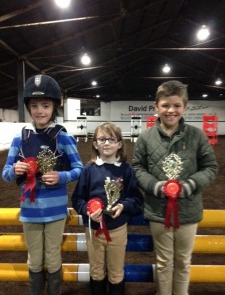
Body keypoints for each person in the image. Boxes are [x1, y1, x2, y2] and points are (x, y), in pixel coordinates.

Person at [132, 80, 218, 295]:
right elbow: (137, 167)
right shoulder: (145, 138)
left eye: (177, 105)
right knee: (163, 262)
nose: (171, 110)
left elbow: (210, 166)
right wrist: (155, 186)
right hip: (158, 211)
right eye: (165, 105)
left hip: (188, 211)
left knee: (183, 263)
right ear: (156, 106)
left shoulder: (197, 136)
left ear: (185, 106)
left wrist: (190, 185)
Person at [2, 74, 83, 295]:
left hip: (56, 212)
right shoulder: (20, 139)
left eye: (45, 105)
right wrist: (15, 170)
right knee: (35, 260)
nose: (40, 110)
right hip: (30, 211)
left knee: (53, 258)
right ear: (29, 108)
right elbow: (6, 174)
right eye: (35, 105)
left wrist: (61, 176)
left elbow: (79, 169)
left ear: (54, 107)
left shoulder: (63, 138)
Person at [71, 122, 143, 295]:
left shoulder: (126, 170)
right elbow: (77, 198)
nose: (107, 143)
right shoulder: (88, 170)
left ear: (119, 144)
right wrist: (87, 211)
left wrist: (123, 205)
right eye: (102, 139)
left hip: (117, 229)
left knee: (116, 271)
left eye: (112, 139)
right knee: (96, 271)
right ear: (95, 143)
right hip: (93, 230)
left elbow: (137, 199)